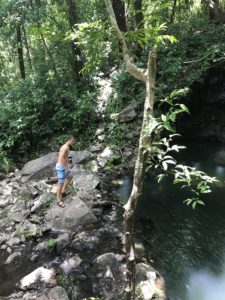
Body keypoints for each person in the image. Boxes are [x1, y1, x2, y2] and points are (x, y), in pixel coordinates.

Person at [55, 135, 74, 207]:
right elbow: (62, 158)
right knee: (60, 183)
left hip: (63, 166)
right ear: (68, 140)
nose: (73, 142)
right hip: (60, 167)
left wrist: (68, 164)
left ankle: (63, 191)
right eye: (72, 141)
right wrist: (66, 167)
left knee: (70, 176)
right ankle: (58, 200)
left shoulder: (66, 147)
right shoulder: (65, 147)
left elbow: (63, 157)